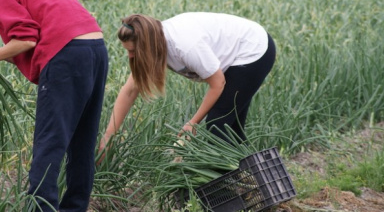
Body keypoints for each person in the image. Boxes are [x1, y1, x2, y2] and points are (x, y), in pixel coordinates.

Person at [0, 0, 108, 212]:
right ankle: (74, 208)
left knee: (49, 142)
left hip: (68, 54)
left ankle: (41, 209)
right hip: (95, 51)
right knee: (82, 142)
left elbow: (26, 40)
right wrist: (0, 53)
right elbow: (43, 49)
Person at [99, 12, 275, 157]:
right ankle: (248, 180)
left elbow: (218, 83)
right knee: (230, 127)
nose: (130, 56)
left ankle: (224, 189)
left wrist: (192, 123)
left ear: (146, 45)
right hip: (235, 56)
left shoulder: (184, 45)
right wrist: (108, 136)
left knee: (218, 124)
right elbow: (130, 91)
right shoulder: (154, 43)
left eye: (132, 50)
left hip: (253, 50)